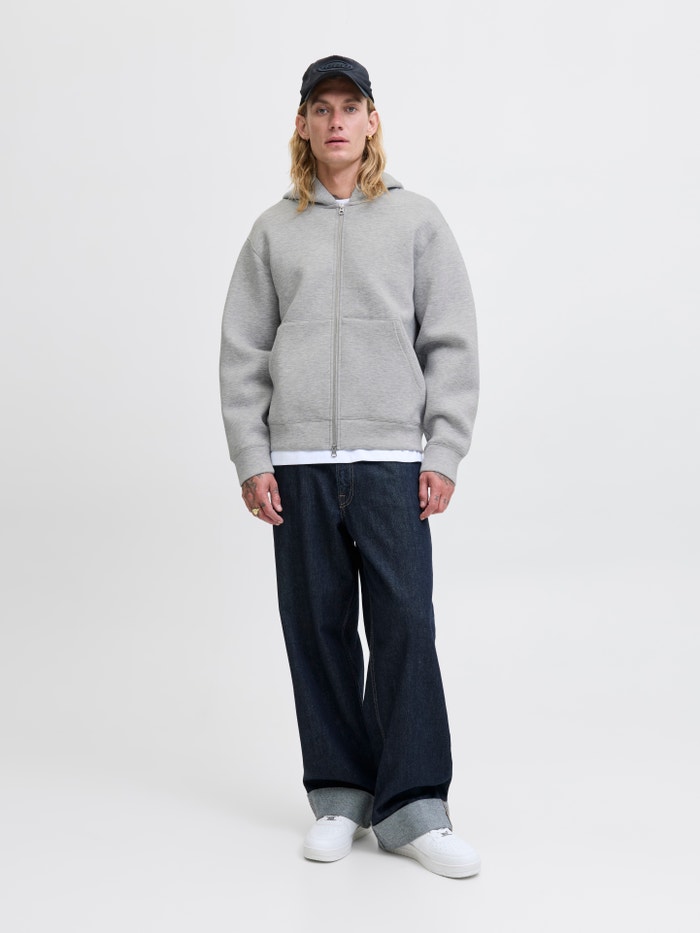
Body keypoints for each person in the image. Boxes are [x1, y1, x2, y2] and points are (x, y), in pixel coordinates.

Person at [219, 55, 480, 879]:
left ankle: (416, 808)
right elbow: (242, 352)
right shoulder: (273, 231)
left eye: (350, 106)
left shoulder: (418, 221)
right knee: (317, 627)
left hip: (392, 459)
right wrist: (252, 455)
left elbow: (451, 342)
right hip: (297, 463)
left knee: (404, 625)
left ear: (372, 121)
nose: (336, 121)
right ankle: (341, 794)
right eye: (321, 108)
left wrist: (443, 448)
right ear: (302, 125)